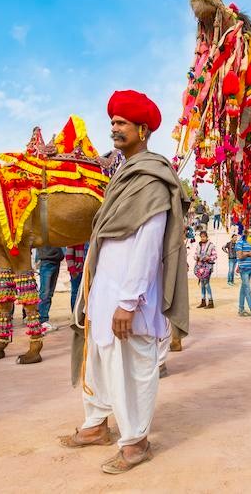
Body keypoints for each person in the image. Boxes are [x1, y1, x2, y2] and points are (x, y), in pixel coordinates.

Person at [63, 90, 189, 475]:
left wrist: (129, 300)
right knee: (100, 360)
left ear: (143, 129)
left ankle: (136, 442)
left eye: (122, 122)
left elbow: (149, 244)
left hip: (130, 295)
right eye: (113, 121)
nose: (114, 127)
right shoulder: (123, 176)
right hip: (104, 289)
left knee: (131, 366)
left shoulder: (150, 179)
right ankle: (96, 425)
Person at [36, 245, 64, 333]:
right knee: (45, 293)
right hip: (46, 261)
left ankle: (44, 319)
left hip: (56, 261)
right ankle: (41, 320)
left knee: (49, 293)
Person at [235, 232, 251, 318]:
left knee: (243, 290)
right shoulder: (239, 242)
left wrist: (246, 253)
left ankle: (241, 309)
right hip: (244, 269)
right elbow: (240, 255)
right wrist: (249, 253)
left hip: (249, 268)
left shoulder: (250, 242)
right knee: (247, 290)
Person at [194, 230, 216, 309]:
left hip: (208, 267)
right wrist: (196, 257)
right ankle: (203, 301)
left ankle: (210, 301)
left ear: (207, 237)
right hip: (200, 268)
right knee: (202, 284)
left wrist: (208, 258)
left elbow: (215, 256)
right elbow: (195, 254)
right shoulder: (198, 245)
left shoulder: (211, 245)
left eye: (204, 237)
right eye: (201, 237)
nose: (203, 238)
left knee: (206, 283)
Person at [66, 244, 86, 312]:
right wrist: (72, 269)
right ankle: (74, 316)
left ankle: (83, 316)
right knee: (75, 293)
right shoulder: (76, 238)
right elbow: (68, 255)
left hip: (88, 271)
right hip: (77, 271)